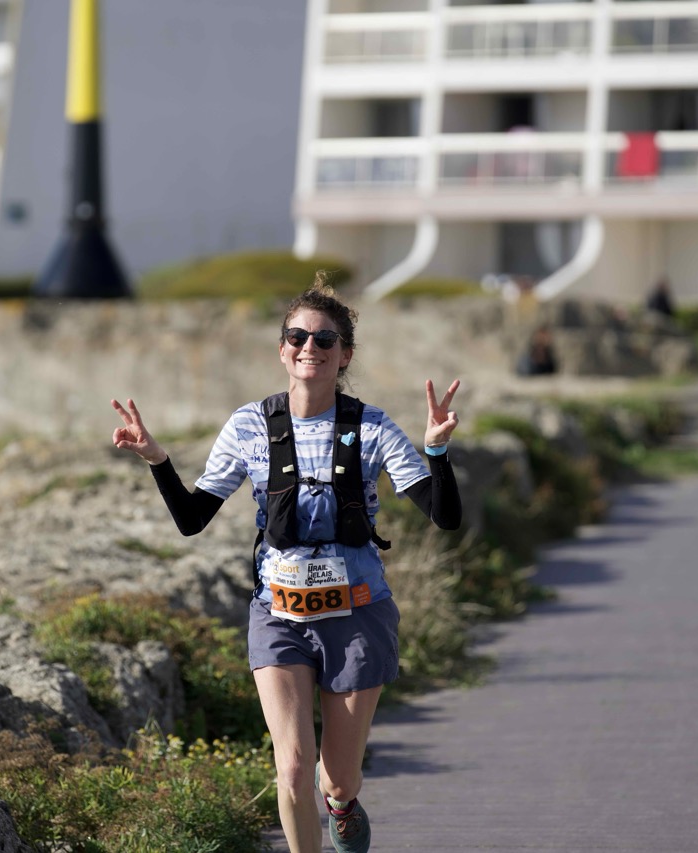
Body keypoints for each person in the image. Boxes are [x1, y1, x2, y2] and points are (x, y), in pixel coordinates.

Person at [110, 275, 462, 853]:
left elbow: (444, 517)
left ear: (345, 355)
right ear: (281, 349)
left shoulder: (372, 427)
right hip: (279, 614)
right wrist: (157, 459)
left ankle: (342, 803)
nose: (309, 347)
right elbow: (193, 519)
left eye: (325, 340)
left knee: (337, 778)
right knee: (293, 767)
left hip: (357, 613)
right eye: (297, 336)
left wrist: (438, 451)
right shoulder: (249, 425)